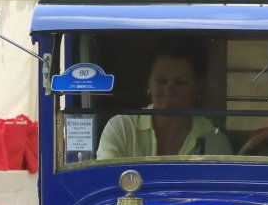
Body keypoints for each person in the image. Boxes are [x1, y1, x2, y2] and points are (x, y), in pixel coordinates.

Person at [96, 42, 232, 159]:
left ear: (198, 86)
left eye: (181, 83)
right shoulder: (122, 128)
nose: (169, 92)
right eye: (161, 81)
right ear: (149, 82)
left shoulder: (215, 141)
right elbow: (104, 178)